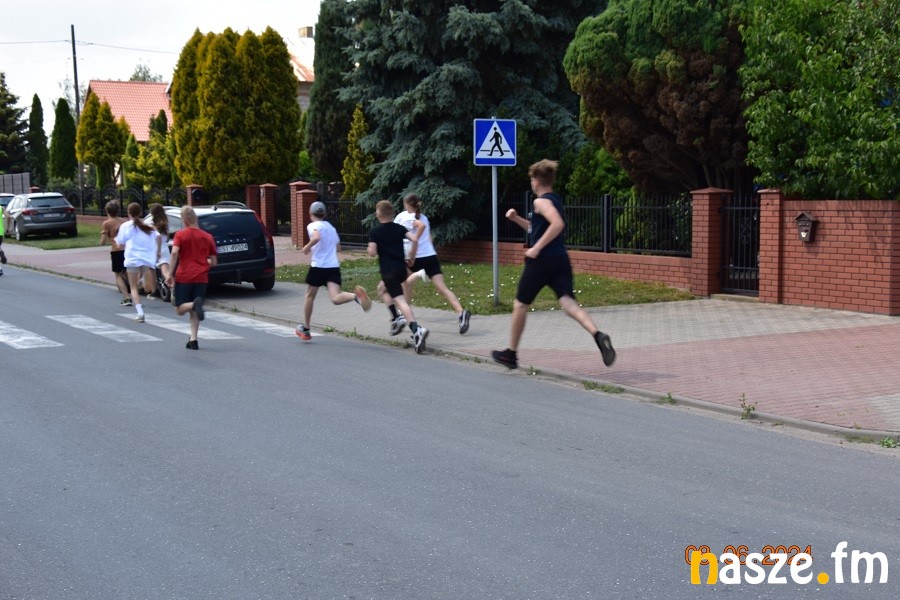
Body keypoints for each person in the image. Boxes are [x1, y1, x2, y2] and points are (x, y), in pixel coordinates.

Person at [491, 159, 616, 370]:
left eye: (531, 180)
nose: (531, 183)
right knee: (568, 303)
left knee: (520, 304)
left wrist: (537, 248)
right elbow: (536, 228)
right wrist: (516, 219)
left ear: (537, 181)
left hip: (542, 261)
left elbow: (557, 224)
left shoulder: (540, 202)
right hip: (560, 260)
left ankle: (510, 354)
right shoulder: (554, 200)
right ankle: (598, 335)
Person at [383, 193, 471, 335]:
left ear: (406, 204)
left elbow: (419, 229)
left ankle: (406, 315)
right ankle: (461, 312)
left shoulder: (406, 217)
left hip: (415, 258)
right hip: (430, 256)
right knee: (442, 288)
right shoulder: (424, 217)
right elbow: (428, 238)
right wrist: (431, 252)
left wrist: (412, 249)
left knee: (403, 283)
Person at [295, 201, 372, 340]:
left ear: (311, 214)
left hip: (318, 266)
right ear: (324, 214)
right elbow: (338, 248)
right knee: (336, 298)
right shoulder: (331, 228)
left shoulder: (313, 225)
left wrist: (307, 247)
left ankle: (306, 329)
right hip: (333, 266)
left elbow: (316, 237)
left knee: (309, 296)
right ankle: (356, 296)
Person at [368, 200, 429, 354]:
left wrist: (373, 248)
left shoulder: (375, 231)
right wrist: (411, 256)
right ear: (391, 213)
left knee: (400, 301)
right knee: (381, 289)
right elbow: (414, 239)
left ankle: (416, 329)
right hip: (402, 269)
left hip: (389, 271)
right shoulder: (399, 228)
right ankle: (396, 318)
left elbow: (372, 252)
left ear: (378, 214)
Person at [165, 205, 218, 350]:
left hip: (184, 276)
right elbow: (214, 262)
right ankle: (193, 340)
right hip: (201, 277)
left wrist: (169, 274)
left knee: (179, 309)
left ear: (185, 221)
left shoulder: (180, 235)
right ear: (196, 218)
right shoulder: (208, 237)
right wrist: (203, 262)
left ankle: (193, 305)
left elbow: (174, 253)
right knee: (194, 312)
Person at [99, 200, 130, 305]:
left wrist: (102, 242)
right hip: (127, 249)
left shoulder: (107, 223)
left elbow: (103, 241)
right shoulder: (124, 221)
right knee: (128, 273)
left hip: (116, 251)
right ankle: (135, 294)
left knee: (118, 275)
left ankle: (126, 298)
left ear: (106, 211)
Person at [148, 203, 172, 298]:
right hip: (165, 248)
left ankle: (154, 291)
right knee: (165, 271)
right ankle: (173, 286)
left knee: (151, 269)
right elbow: (167, 237)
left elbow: (156, 237)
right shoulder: (165, 224)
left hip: (155, 248)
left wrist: (157, 250)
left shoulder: (152, 225)